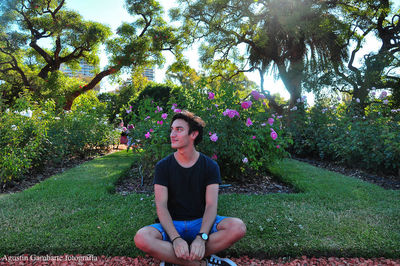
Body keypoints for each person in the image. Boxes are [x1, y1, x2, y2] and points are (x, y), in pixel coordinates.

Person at [134, 110, 246, 266]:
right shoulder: (163, 166)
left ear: (193, 134)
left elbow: (211, 205)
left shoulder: (210, 166)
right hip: (173, 225)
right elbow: (161, 206)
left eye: (179, 129)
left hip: (201, 223)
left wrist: (201, 238)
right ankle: (201, 264)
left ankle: (173, 259)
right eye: (172, 129)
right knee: (142, 238)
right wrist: (176, 239)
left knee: (237, 227)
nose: (172, 134)